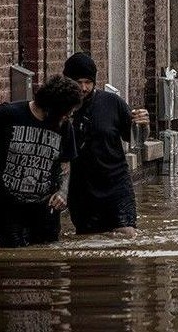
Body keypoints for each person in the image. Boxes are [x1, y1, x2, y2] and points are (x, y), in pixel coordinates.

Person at [0, 75, 82, 247]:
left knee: (47, 258)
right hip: (6, 204)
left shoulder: (64, 127)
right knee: (13, 255)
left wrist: (62, 192)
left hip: (44, 206)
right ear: (52, 108)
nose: (69, 116)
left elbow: (65, 162)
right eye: (66, 112)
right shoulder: (8, 114)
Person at [62, 53, 150, 237]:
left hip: (116, 184)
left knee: (127, 234)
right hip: (82, 190)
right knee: (88, 240)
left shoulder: (112, 103)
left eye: (88, 82)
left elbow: (135, 139)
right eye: (78, 82)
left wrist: (143, 125)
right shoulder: (61, 109)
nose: (83, 88)